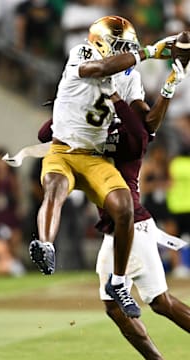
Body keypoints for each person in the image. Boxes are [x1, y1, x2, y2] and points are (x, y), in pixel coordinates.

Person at [27, 15, 174, 318]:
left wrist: (172, 82)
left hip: (95, 156)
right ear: (100, 41)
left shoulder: (129, 75)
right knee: (54, 188)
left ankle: (119, 282)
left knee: (123, 208)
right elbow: (101, 68)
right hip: (64, 150)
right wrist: (149, 52)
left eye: (127, 47)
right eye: (119, 45)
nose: (124, 52)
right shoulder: (83, 53)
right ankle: (45, 245)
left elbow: (143, 124)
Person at [95, 60, 190, 359]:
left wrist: (115, 96)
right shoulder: (100, 127)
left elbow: (141, 127)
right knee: (114, 306)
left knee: (161, 302)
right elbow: (48, 133)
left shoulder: (134, 136)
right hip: (115, 230)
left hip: (132, 226)